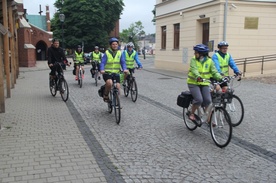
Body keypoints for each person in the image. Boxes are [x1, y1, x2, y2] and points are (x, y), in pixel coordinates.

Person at [187, 44, 224, 121]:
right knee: (199, 99)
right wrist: (198, 77)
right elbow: (194, 70)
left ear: (201, 54)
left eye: (196, 52)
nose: (194, 54)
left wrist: (220, 78)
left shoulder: (209, 61)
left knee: (208, 100)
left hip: (204, 83)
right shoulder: (193, 60)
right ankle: (192, 113)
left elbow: (214, 72)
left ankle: (206, 116)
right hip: (193, 82)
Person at [100, 37, 128, 102]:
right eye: (113, 44)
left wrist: (124, 69)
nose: (115, 45)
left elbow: (123, 62)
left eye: (116, 44)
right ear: (110, 45)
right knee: (109, 83)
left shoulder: (119, 53)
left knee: (118, 87)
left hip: (116, 73)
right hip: (107, 73)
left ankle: (117, 102)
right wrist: (102, 69)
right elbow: (102, 62)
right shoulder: (107, 53)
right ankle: (106, 95)